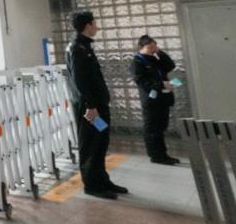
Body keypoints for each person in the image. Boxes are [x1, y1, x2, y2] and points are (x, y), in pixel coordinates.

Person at [65, 11, 128, 199]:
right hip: (90, 109)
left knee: (100, 143)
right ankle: (92, 186)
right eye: (95, 23)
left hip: (97, 106)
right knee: (91, 145)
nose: (97, 27)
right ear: (88, 25)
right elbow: (79, 81)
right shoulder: (77, 48)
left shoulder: (85, 46)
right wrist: (91, 106)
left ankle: (102, 181)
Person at [131, 35, 180, 165]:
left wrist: (159, 52)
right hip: (151, 100)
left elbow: (170, 66)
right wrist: (162, 84)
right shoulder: (137, 62)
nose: (152, 49)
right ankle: (156, 156)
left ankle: (163, 154)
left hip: (163, 99)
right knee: (153, 129)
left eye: (154, 46)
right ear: (141, 47)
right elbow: (142, 82)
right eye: (150, 47)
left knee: (161, 127)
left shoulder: (154, 58)